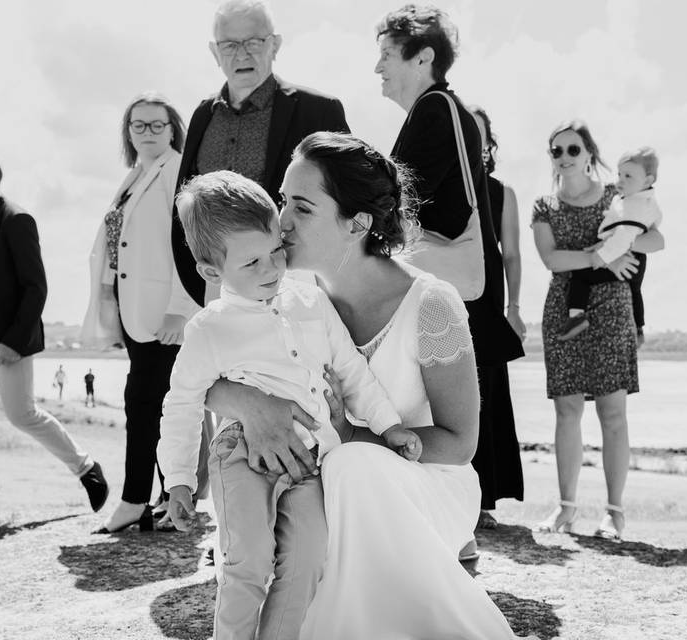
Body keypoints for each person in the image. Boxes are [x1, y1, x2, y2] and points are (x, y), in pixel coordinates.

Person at [207, 132, 533, 639]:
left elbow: (460, 443)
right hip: (317, 490)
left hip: (424, 488)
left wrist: (355, 436)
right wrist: (250, 402)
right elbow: (200, 372)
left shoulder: (431, 304)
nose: (281, 221)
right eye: (281, 201)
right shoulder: (282, 296)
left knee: (349, 466)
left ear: (356, 223)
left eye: (302, 207)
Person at [159, 171, 421, 640]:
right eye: (252, 262)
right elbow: (181, 404)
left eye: (276, 251)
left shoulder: (312, 301)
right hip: (240, 455)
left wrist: (388, 425)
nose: (271, 270)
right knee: (249, 560)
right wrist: (178, 480)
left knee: (307, 558)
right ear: (210, 272)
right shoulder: (209, 329)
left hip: (310, 458)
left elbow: (350, 368)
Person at [374, 5, 525, 533]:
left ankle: (456, 516)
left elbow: (412, 202)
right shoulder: (447, 110)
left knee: (448, 408)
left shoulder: (434, 109)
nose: (379, 70)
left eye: (388, 56)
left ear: (424, 57)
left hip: (456, 283)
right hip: (468, 281)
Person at [0, 147, 108, 530]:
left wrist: (12, 340)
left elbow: (35, 288)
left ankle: (87, 468)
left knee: (21, 414)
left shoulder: (17, 219)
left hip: (6, 340)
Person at [531, 120, 664, 541]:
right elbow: (552, 261)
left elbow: (656, 240)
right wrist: (600, 256)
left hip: (611, 308)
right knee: (567, 411)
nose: (565, 157)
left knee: (613, 413)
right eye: (557, 150)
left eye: (573, 149)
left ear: (589, 152)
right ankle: (566, 508)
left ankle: (614, 513)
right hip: (562, 312)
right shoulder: (543, 207)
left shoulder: (615, 195)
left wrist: (620, 246)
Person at [170, 0, 350, 307]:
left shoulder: (319, 111)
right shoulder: (202, 115)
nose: (242, 54)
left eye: (254, 42)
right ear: (215, 53)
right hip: (216, 290)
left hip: (294, 284)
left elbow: (347, 197)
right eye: (230, 45)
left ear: (275, 45)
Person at [81, 92, 200, 534]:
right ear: (127, 132)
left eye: (156, 125)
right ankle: (167, 501)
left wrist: (180, 310)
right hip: (135, 312)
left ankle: (138, 501)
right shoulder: (135, 176)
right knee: (154, 405)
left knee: (151, 405)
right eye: (138, 125)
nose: (146, 132)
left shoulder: (177, 171)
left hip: (164, 315)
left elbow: (188, 244)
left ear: (173, 130)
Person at [466, 105, 526, 528]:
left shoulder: (502, 191)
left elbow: (514, 255)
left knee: (488, 393)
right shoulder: (441, 185)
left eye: (479, 133)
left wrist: (514, 308)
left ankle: (484, 503)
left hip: (488, 300)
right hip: (448, 296)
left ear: (488, 143)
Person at [559, 146, 662, 341]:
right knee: (634, 290)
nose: (621, 180)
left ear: (647, 180)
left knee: (580, 276)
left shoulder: (635, 205)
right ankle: (639, 329)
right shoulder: (633, 199)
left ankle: (576, 316)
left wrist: (601, 256)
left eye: (628, 176)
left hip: (623, 254)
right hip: (634, 256)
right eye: (620, 174)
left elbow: (625, 235)